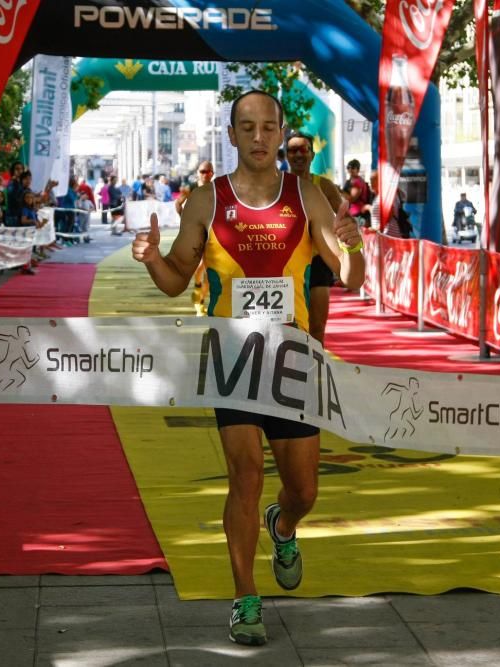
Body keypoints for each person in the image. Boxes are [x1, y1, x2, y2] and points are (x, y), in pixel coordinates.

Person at [132, 90, 364, 647]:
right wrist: (151, 259)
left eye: (268, 128)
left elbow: (350, 278)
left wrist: (355, 250)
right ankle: (244, 596)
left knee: (303, 490)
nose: (259, 137)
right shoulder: (206, 202)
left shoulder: (305, 195)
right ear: (232, 134)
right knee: (245, 477)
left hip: (292, 361)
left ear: (280, 133)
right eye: (247, 127)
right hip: (234, 360)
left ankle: (282, 526)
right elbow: (173, 280)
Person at [285, 132, 344, 345]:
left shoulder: (325, 186)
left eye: (303, 150)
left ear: (312, 154)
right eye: (293, 150)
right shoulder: (276, 184)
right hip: (286, 263)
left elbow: (344, 217)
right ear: (286, 156)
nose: (298, 155)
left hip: (318, 262)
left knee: (317, 326)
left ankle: (315, 373)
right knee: (289, 327)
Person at [175, 161, 216, 315]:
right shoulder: (190, 188)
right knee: (199, 267)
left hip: (212, 232)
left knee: (209, 269)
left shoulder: (215, 188)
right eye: (202, 171)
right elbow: (178, 204)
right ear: (198, 172)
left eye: (208, 171)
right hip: (196, 233)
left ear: (212, 173)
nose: (205, 174)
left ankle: (200, 302)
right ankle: (198, 287)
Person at [342, 159, 370, 224]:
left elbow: (351, 199)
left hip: (357, 214)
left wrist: (339, 191)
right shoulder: (349, 181)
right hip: (351, 213)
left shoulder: (358, 182)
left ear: (358, 169)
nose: (350, 169)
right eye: (348, 167)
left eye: (353, 167)